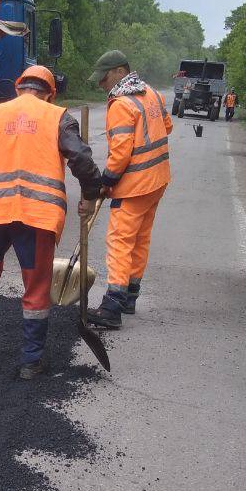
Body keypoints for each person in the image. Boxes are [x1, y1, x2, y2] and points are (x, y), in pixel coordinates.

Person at [0, 65, 102, 379]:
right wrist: (90, 194)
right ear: (49, 93)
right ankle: (31, 363)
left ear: (19, 88)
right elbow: (82, 160)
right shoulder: (58, 117)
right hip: (35, 216)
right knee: (36, 286)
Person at [85, 49, 173, 331]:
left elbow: (121, 153)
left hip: (135, 185)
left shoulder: (122, 104)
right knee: (140, 238)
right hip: (158, 180)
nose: (101, 84)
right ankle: (130, 297)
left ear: (120, 72)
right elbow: (167, 127)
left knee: (120, 242)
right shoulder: (152, 93)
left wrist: (106, 181)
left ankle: (112, 306)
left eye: (104, 78)